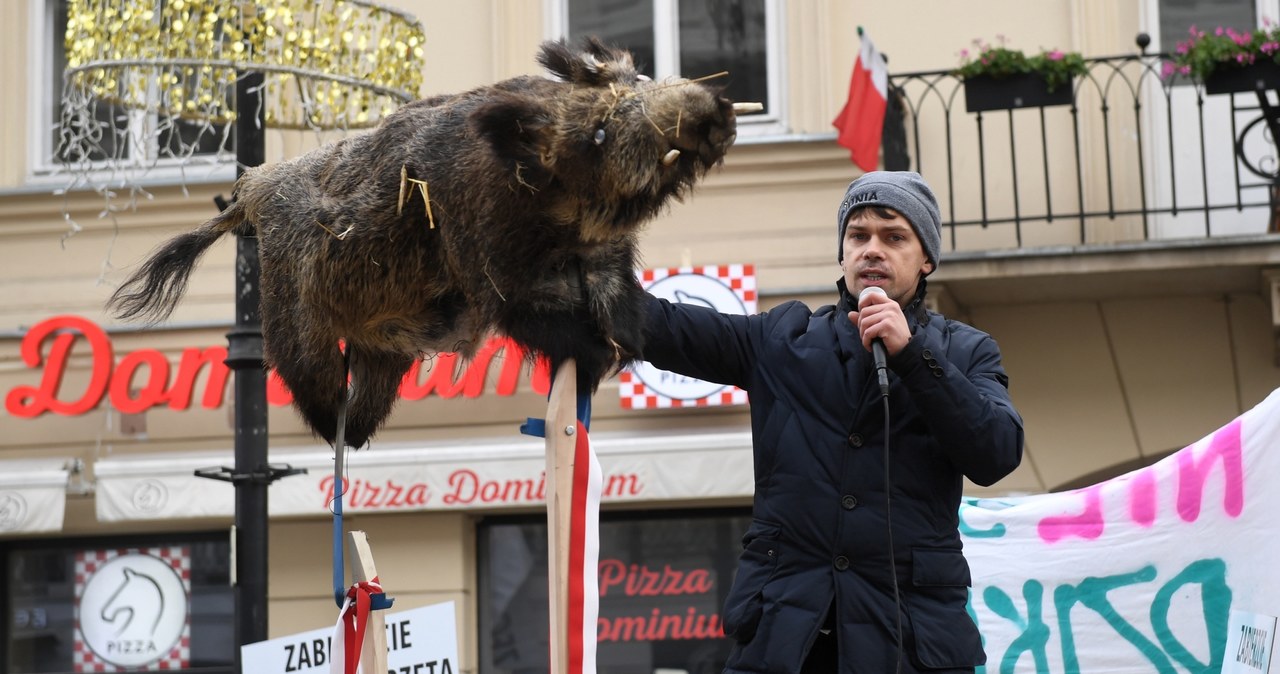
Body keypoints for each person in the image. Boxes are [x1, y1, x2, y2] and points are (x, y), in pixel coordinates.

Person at [639, 171, 1024, 673]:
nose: (872, 250)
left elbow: (996, 452)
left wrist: (912, 355)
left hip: (909, 647)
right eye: (858, 236)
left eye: (894, 237)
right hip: (785, 642)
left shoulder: (966, 350)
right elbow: (664, 328)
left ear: (926, 257)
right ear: (842, 253)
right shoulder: (782, 338)